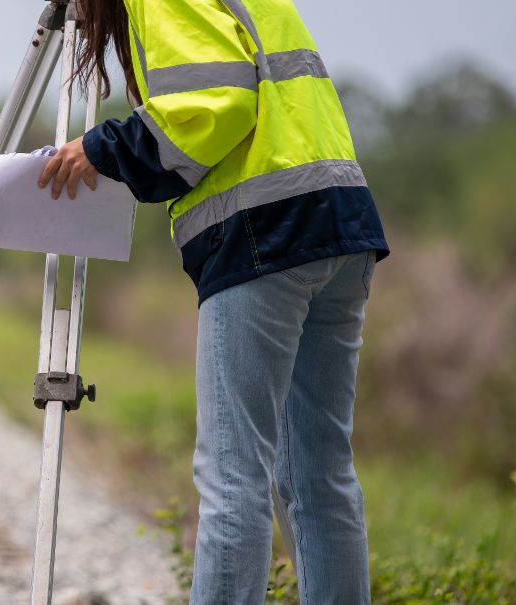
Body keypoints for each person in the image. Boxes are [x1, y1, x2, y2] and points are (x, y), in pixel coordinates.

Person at [38, 0, 389, 602]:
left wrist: (103, 148)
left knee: (235, 481)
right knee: (319, 476)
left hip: (265, 232)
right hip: (338, 221)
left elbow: (217, 103)